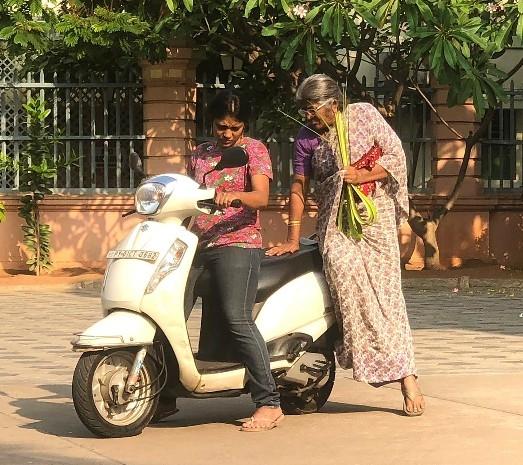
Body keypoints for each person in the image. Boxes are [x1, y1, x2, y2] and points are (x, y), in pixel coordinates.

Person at [267, 74, 425, 416]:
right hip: (335, 225)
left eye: (312, 108)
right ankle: (369, 359)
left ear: (332, 104)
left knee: (386, 297)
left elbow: (396, 155)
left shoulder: (364, 114)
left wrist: (364, 175)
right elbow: (299, 185)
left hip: (375, 219)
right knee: (343, 270)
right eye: (304, 109)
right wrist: (293, 237)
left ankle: (407, 376)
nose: (308, 115)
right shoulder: (307, 139)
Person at [186, 90, 284, 431]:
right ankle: (164, 392)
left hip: (238, 243)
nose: (227, 134)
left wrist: (233, 196)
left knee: (237, 319)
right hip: (198, 244)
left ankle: (269, 402)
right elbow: (188, 195)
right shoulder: (201, 153)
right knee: (168, 310)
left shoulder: (253, 150)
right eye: (221, 126)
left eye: (235, 127)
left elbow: (261, 196)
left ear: (245, 126)